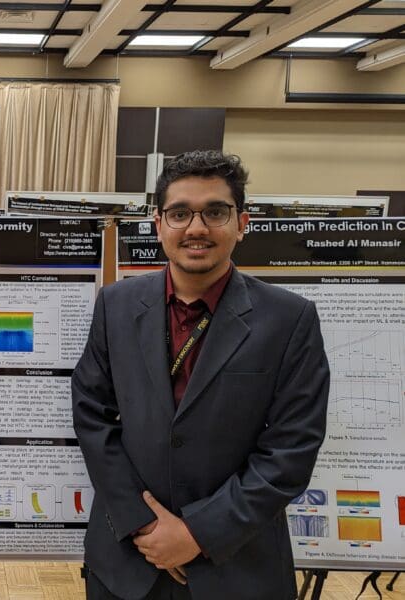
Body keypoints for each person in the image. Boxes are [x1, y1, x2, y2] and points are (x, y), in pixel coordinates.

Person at [72, 150, 329, 600]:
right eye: (179, 213)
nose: (196, 228)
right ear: (158, 224)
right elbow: (92, 416)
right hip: (129, 561)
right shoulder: (116, 306)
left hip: (237, 565)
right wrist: (146, 524)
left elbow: (292, 447)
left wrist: (196, 533)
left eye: (215, 212)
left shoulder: (289, 319)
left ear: (242, 223)